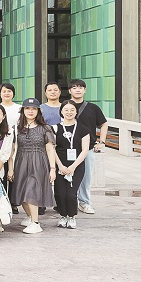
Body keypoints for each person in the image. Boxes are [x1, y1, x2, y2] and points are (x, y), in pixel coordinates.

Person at [8, 98, 57, 234]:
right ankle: (30, 217)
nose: (31, 111)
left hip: (39, 162)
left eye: (34, 108)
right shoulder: (16, 129)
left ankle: (35, 223)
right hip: (21, 162)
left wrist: (52, 169)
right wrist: (10, 168)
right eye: (27, 108)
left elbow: (50, 149)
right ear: (23, 110)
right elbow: (11, 150)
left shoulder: (45, 128)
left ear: (38, 111)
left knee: (31, 191)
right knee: (21, 192)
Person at [69, 79, 108, 215]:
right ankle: (66, 202)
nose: (78, 90)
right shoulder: (65, 106)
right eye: (74, 87)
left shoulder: (93, 108)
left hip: (87, 148)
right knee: (66, 175)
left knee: (86, 177)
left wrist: (102, 142)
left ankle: (84, 202)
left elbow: (104, 124)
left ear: (85, 90)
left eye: (80, 87)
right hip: (68, 148)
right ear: (70, 91)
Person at [53, 100, 90, 229]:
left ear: (76, 112)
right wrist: (60, 166)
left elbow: (85, 150)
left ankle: (71, 216)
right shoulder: (55, 128)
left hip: (77, 166)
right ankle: (63, 216)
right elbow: (52, 149)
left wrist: (73, 167)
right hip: (60, 165)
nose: (69, 112)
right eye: (66, 110)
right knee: (60, 193)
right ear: (61, 111)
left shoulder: (83, 129)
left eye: (72, 110)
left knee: (71, 193)